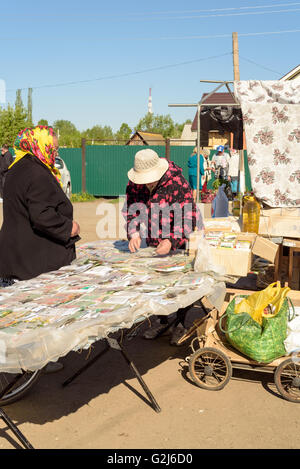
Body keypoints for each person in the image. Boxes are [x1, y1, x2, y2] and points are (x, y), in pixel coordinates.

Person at [122, 148, 203, 345]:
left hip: (179, 238)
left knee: (181, 283)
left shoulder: (177, 182)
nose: (146, 183)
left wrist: (172, 240)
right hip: (153, 238)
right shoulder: (134, 185)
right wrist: (133, 233)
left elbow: (188, 217)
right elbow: (131, 211)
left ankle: (181, 324)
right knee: (157, 282)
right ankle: (162, 321)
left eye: (149, 179)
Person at [0, 126, 80, 282]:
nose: (56, 153)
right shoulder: (36, 172)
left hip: (16, 258)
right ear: (41, 145)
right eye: (54, 148)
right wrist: (69, 228)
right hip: (33, 264)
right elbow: (42, 215)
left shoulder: (16, 168)